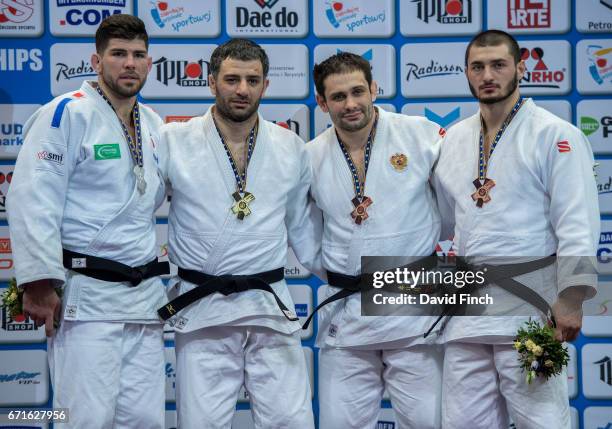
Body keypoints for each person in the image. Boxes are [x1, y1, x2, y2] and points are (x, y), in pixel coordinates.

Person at [7, 14, 168, 429]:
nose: (129, 64)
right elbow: (32, 200)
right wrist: (39, 282)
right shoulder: (65, 114)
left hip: (143, 301)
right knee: (84, 420)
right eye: (118, 54)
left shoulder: (153, 124)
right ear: (97, 62)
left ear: (150, 63)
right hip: (87, 302)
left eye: (138, 55)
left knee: (145, 420)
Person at [433, 30, 599, 429]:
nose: (488, 75)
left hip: (532, 310)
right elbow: (446, 221)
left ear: (520, 68)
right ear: (467, 74)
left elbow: (577, 221)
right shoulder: (453, 139)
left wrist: (572, 298)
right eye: (478, 67)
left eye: (498, 65)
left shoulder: (556, 135)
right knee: (462, 424)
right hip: (468, 313)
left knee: (542, 422)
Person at [155, 39, 318, 429]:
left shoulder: (290, 147)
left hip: (268, 307)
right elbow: (135, 213)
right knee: (201, 424)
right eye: (231, 79)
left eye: (252, 80)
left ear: (266, 85)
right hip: (202, 309)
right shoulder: (173, 141)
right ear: (211, 82)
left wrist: (354, 281)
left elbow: (304, 231)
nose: (242, 89)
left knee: (291, 421)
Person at [307, 52, 445, 429]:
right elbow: (304, 233)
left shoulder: (420, 134)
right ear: (322, 102)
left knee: (429, 422)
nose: (350, 104)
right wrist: (339, 273)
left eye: (357, 92)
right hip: (347, 312)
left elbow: (453, 204)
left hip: (413, 310)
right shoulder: (311, 157)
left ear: (374, 89)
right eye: (338, 97)